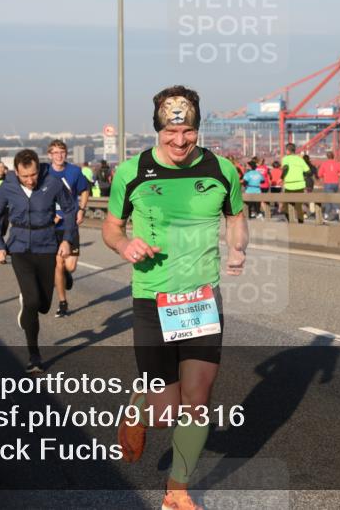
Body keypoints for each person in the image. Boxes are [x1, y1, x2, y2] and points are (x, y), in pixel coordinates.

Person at [103, 85, 246, 510]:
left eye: (188, 132)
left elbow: (237, 217)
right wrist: (124, 244)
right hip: (153, 301)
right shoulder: (132, 172)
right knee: (166, 413)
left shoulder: (222, 169)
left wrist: (238, 247)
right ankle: (138, 409)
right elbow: (111, 227)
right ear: (157, 130)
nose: (180, 141)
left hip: (202, 299)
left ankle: (177, 492)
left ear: (198, 128)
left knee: (197, 401)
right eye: (171, 133)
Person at [0, 149, 77, 374]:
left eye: (34, 174)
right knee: (33, 302)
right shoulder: (7, 186)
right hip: (19, 249)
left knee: (44, 305)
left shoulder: (52, 182)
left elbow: (70, 209)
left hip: (46, 246)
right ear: (16, 172)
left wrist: (67, 240)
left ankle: (28, 304)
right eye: (25, 176)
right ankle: (34, 356)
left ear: (38, 168)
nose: (30, 180)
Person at [46, 140, 91, 318]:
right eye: (55, 152)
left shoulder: (74, 171)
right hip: (53, 226)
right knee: (58, 263)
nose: (59, 156)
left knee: (70, 267)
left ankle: (66, 274)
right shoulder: (45, 172)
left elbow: (85, 190)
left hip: (70, 224)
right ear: (50, 155)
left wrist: (81, 209)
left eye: (62, 152)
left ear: (66, 153)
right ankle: (62, 303)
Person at [281, 144, 309, 224]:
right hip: (300, 185)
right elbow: (308, 171)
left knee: (284, 207)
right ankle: (301, 223)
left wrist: (281, 178)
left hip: (289, 186)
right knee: (298, 206)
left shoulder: (286, 158)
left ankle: (290, 221)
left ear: (287, 151)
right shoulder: (300, 159)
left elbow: (285, 168)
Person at [317, 151, 340, 221]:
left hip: (328, 184)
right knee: (329, 200)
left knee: (330, 199)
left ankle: (338, 210)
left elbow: (319, 174)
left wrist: (324, 175)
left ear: (327, 157)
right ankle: (326, 216)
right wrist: (337, 175)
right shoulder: (337, 163)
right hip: (336, 184)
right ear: (333, 156)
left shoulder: (324, 164)